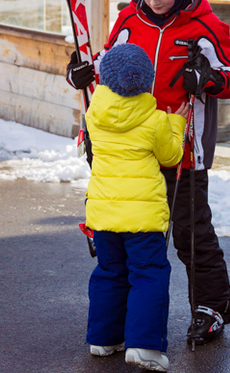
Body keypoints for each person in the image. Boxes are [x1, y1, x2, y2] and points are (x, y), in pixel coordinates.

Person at [67, 0, 230, 346]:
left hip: (184, 151)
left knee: (189, 231)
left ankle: (211, 307)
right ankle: (127, 309)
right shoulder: (131, 20)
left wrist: (208, 76)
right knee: (130, 232)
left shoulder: (206, 27)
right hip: (134, 151)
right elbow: (109, 63)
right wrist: (83, 71)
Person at [85, 43, 188, 373]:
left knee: (110, 274)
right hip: (143, 220)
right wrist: (177, 125)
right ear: (147, 82)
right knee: (149, 276)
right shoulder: (155, 120)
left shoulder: (94, 115)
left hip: (103, 216)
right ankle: (144, 345)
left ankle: (103, 339)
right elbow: (171, 156)